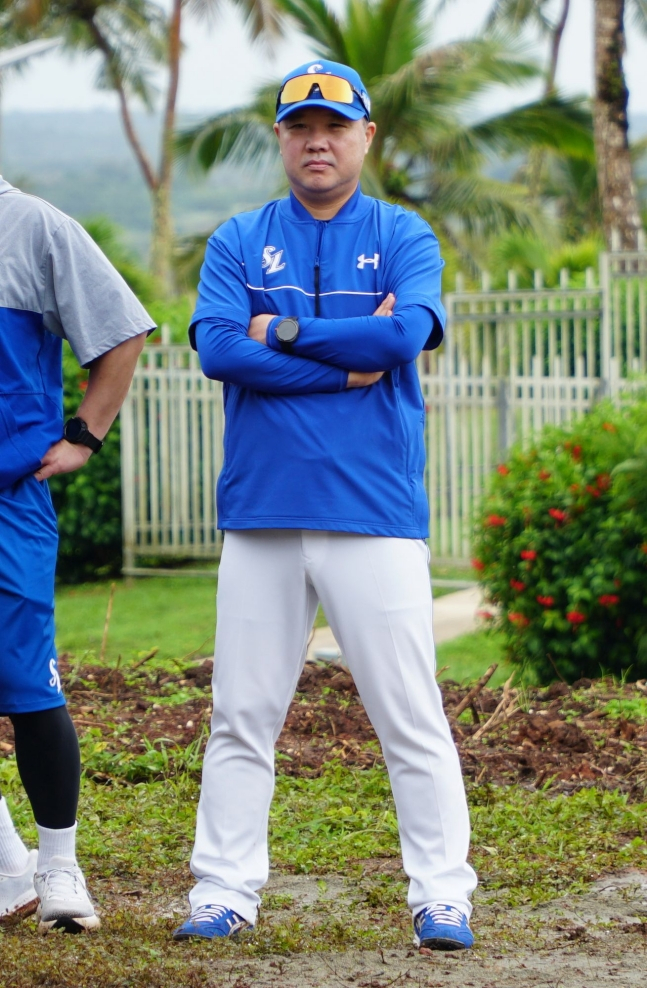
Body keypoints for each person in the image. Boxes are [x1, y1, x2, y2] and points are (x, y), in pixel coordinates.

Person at [173, 60, 477, 952]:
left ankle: (441, 894)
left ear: (365, 137)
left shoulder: (403, 232)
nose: (318, 140)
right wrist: (341, 364)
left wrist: (287, 330)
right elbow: (220, 352)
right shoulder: (238, 238)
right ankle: (222, 890)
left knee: (408, 711)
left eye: (335, 126)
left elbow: (402, 333)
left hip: (373, 510)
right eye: (300, 125)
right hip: (262, 512)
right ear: (280, 138)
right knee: (241, 713)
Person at [0, 177, 154, 932]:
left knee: (28, 685)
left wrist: (86, 433)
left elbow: (122, 327)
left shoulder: (32, 226)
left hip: (8, 496)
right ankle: (7, 868)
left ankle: (59, 868)